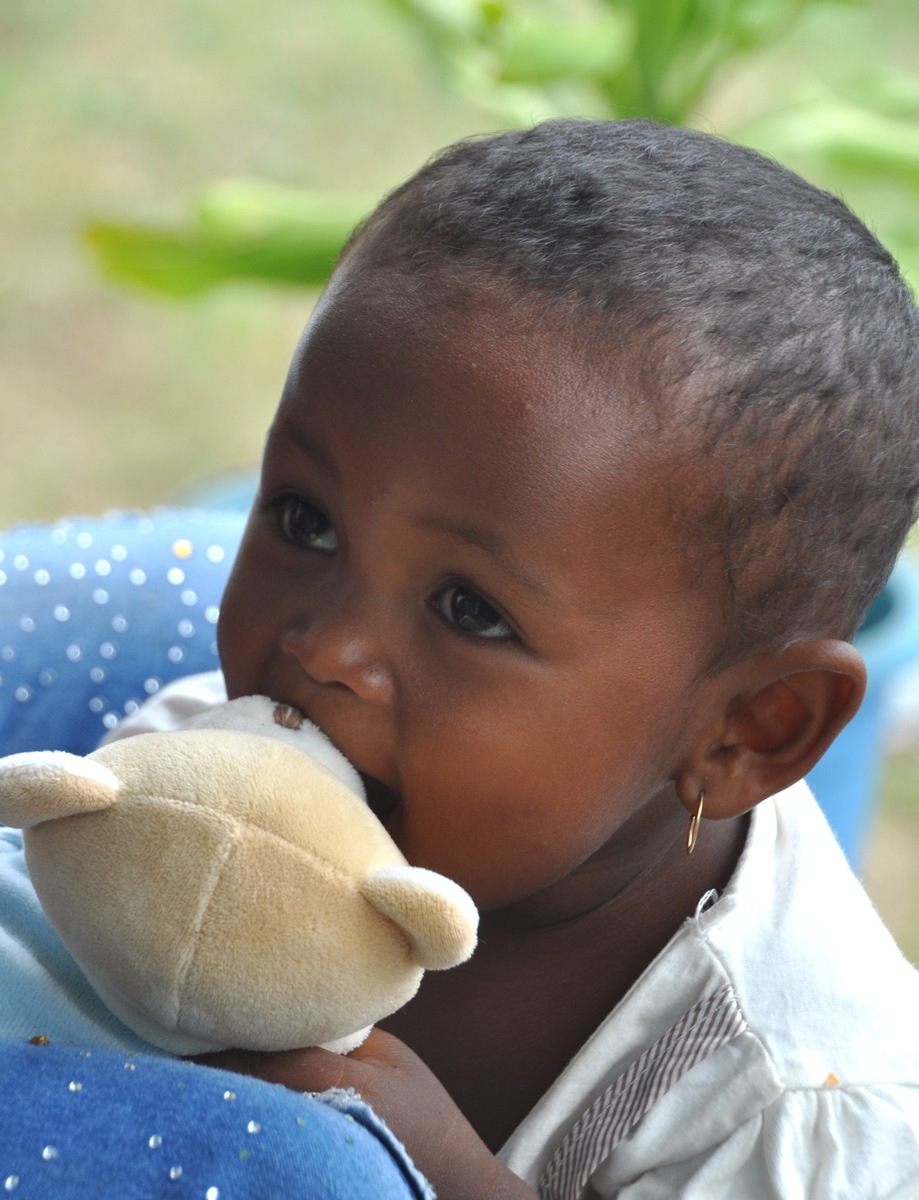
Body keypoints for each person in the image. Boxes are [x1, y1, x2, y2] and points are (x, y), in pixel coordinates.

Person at [5, 118, 919, 1197]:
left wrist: (446, 1179)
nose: (325, 648)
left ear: (746, 729)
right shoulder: (225, 772)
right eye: (304, 520)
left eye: (468, 611)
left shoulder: (802, 1115)